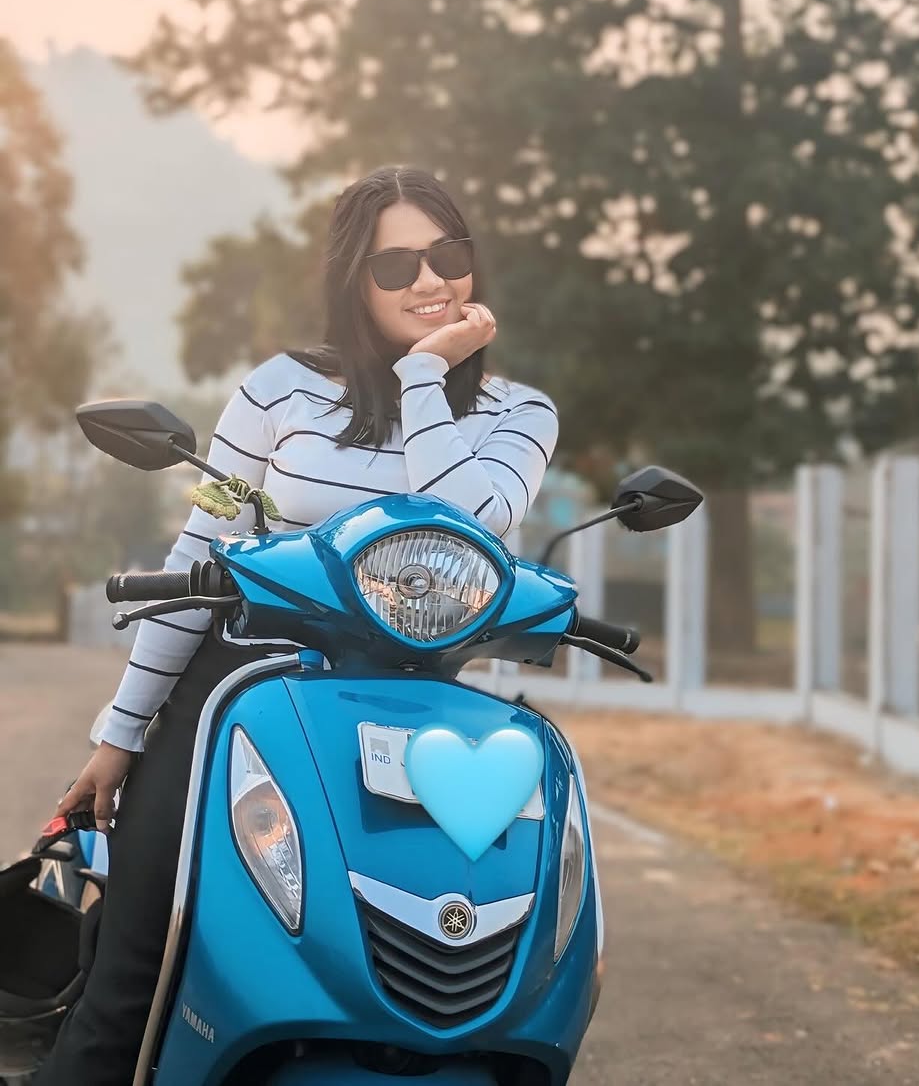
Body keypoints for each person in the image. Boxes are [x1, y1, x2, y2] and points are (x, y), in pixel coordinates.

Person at [35, 165, 559, 1086]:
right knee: (143, 954)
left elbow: (473, 520)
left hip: (421, 712)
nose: (429, 280)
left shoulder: (517, 412)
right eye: (396, 265)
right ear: (354, 279)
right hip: (242, 689)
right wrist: (121, 735)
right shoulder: (279, 391)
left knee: (464, 949)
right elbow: (203, 546)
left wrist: (425, 376)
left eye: (448, 255)